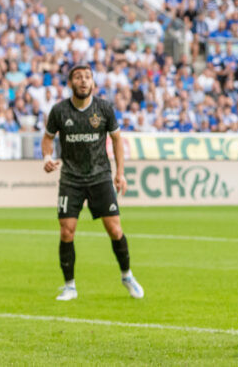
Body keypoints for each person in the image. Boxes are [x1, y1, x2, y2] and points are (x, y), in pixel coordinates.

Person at [41, 63, 143, 301]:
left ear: (93, 83)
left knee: (115, 229)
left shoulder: (104, 108)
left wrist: (120, 173)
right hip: (71, 179)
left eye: (87, 77)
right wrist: (47, 157)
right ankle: (69, 286)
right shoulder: (59, 111)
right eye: (78, 77)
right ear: (70, 83)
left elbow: (117, 140)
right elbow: (47, 139)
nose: (83, 81)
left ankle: (127, 275)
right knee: (67, 231)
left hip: (100, 177)